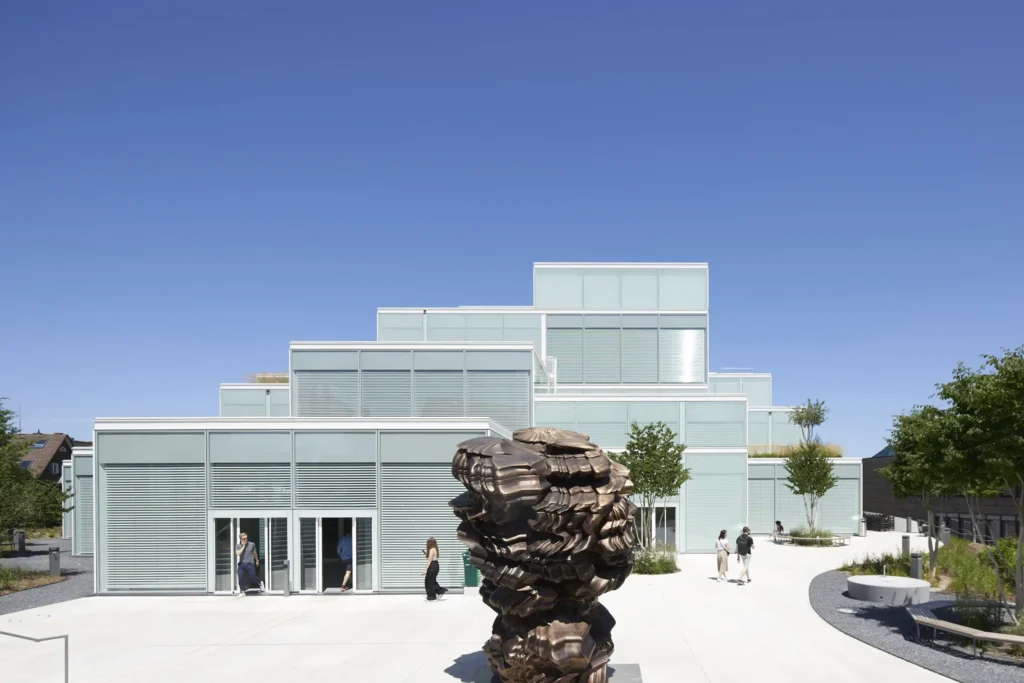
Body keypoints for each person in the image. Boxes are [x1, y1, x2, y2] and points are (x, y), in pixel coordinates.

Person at [235, 531, 260, 597]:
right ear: (240, 539)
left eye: (246, 538)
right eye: (244, 538)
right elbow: (238, 554)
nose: (246, 539)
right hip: (241, 564)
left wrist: (257, 560)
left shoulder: (252, 544)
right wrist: (243, 546)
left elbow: (254, 553)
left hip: (250, 563)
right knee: (240, 577)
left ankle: (260, 583)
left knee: (253, 577)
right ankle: (242, 591)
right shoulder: (238, 546)